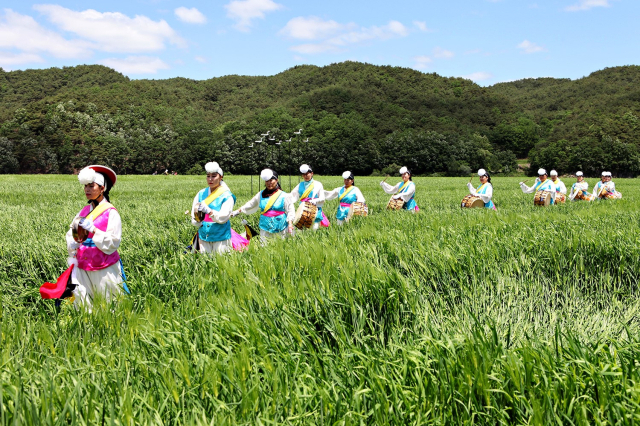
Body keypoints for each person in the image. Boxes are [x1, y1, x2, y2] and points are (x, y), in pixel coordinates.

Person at [65, 165, 128, 309]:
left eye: (91, 186)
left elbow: (113, 241)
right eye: (85, 186)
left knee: (109, 303)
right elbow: (71, 232)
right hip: (82, 265)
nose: (87, 189)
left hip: (103, 266)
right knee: (82, 304)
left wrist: (94, 230)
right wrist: (73, 243)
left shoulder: (111, 212)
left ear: (102, 188)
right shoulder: (84, 210)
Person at [232, 169, 295, 240]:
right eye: (267, 181)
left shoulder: (284, 195)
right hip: (265, 225)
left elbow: (290, 210)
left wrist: (290, 224)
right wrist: (237, 211)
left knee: (280, 244)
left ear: (277, 180)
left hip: (280, 225)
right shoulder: (261, 194)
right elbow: (250, 204)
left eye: (271, 180)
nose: (269, 183)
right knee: (264, 245)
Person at [190, 162, 235, 254]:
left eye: (214, 176)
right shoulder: (201, 193)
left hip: (221, 235)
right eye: (208, 176)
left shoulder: (226, 196)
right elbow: (194, 212)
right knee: (205, 262)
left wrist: (209, 211)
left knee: (222, 261)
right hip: (204, 234)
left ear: (221, 177)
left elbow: (224, 217)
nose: (210, 179)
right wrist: (196, 221)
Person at [287, 164, 328, 230]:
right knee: (302, 230)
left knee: (314, 229)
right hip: (303, 211)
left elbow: (322, 198)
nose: (305, 176)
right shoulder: (300, 185)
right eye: (303, 174)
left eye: (307, 174)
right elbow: (292, 195)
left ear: (312, 173)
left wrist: (315, 200)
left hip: (314, 210)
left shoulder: (318, 184)